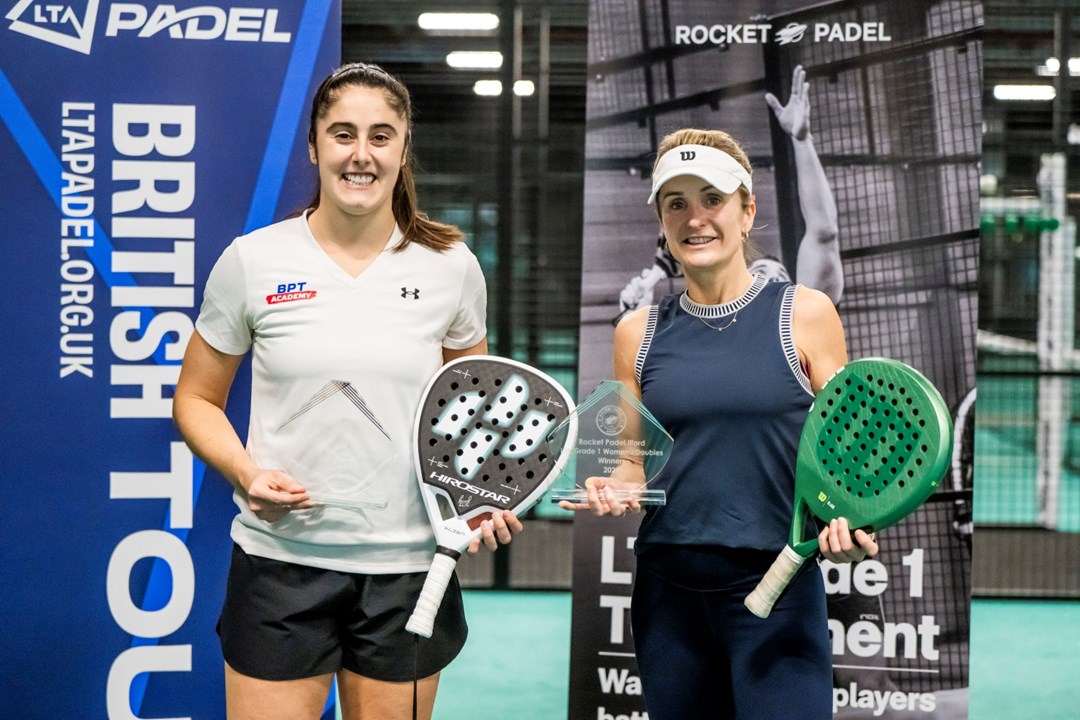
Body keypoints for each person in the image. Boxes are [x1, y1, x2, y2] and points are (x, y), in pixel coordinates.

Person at [173, 62, 517, 720]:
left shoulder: (452, 267)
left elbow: (474, 414)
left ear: (405, 148)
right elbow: (195, 399)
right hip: (281, 566)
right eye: (344, 134)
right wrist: (244, 471)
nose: (362, 154)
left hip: (411, 567)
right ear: (314, 146)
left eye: (381, 136)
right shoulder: (252, 260)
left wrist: (482, 496)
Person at [562, 127, 878, 719]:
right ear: (661, 219)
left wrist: (847, 525)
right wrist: (618, 484)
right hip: (668, 597)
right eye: (675, 203)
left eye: (712, 198)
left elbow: (843, 461)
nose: (695, 218)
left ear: (747, 208)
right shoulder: (637, 332)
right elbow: (636, 460)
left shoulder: (806, 314)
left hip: (779, 589)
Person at [616, 65, 842, 319]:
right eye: (759, 274)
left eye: (713, 199)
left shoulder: (801, 314)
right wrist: (633, 322)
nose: (765, 281)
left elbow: (825, 232)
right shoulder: (699, 327)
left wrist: (802, 141)